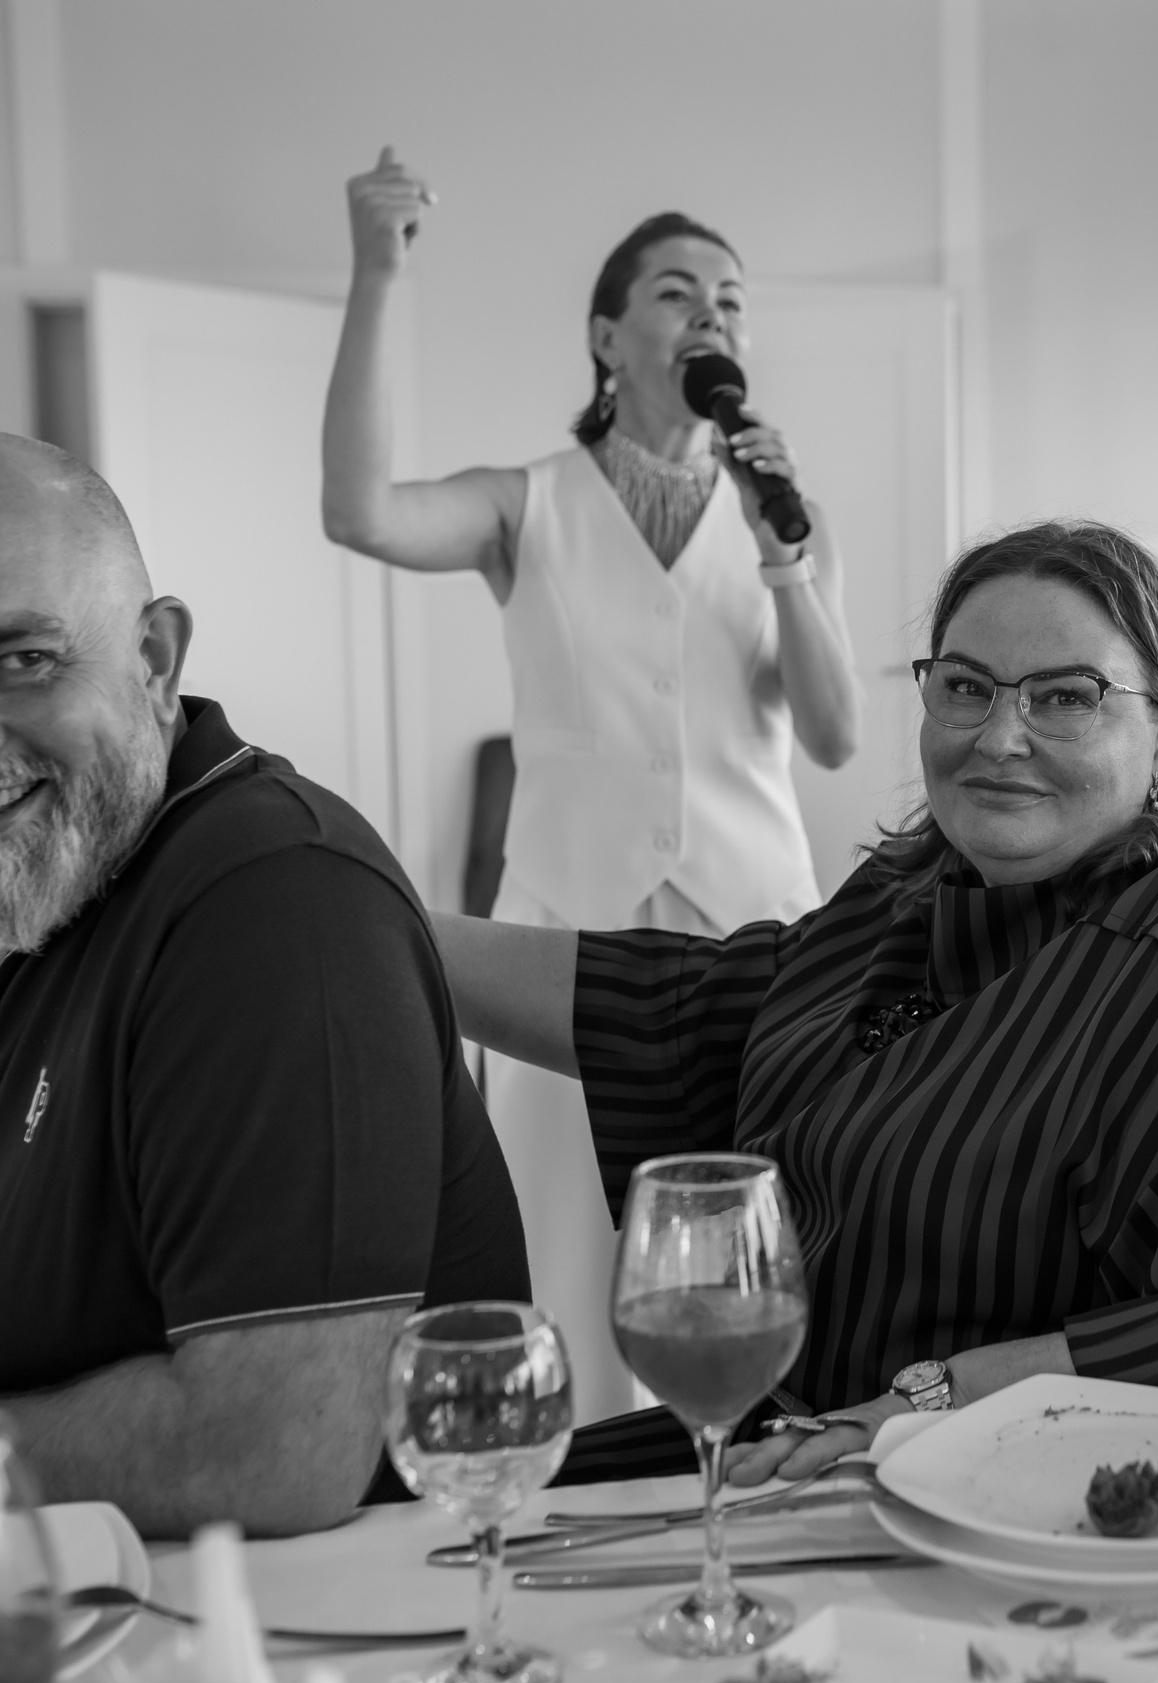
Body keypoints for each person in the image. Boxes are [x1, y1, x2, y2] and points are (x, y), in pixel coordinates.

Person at [438, 521, 1158, 1484]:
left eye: (1066, 698)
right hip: (793, 1460)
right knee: (408, 1485)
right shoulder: (911, 896)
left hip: (1013, 1512)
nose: (1000, 737)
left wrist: (943, 1399)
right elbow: (689, 1008)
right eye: (965, 688)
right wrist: (373, 925)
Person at [0, 429, 529, 1537]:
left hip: (273, 1622)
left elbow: (276, 1452)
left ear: (156, 657)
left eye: (19, 659)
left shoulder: (277, 902)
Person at [322, 151, 863, 1419]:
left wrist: (790, 562)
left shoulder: (786, 517)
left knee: (749, 1266)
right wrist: (375, 275)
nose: (711, 316)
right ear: (607, 336)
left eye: (731, 301)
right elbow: (360, 513)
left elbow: (834, 737)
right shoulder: (529, 507)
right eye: (678, 294)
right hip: (567, 936)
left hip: (755, 930)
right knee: (563, 1265)